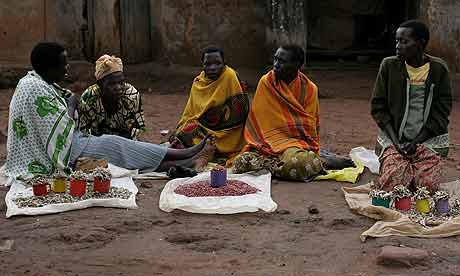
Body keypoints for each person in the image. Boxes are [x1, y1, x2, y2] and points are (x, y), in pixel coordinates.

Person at [5, 42, 214, 180]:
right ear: (100, 84)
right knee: (115, 149)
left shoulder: (38, 83)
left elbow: (135, 128)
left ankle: (184, 158)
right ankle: (184, 156)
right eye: (63, 65)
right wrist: (70, 106)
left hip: (76, 141)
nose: (67, 69)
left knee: (124, 147)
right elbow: (63, 127)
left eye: (120, 83)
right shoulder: (38, 88)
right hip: (65, 149)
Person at [232, 44, 353, 181]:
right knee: (240, 163)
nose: (276, 65)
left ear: (297, 65)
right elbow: (259, 121)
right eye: (275, 59)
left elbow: (309, 127)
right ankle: (317, 162)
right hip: (264, 146)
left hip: (293, 146)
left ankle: (311, 161)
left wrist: (293, 147)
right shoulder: (266, 82)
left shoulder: (309, 89)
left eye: (282, 61)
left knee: (298, 163)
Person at [371, 20, 452, 192]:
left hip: (428, 139)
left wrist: (416, 142)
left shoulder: (438, 69)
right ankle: (399, 165)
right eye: (397, 41)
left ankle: (414, 168)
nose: (398, 46)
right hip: (394, 138)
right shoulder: (389, 66)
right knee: (394, 184)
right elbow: (379, 107)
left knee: (427, 187)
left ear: (420, 43)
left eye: (404, 41)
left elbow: (441, 113)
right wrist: (396, 143)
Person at [169, 46, 249, 163]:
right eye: (208, 64)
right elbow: (190, 113)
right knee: (182, 135)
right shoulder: (198, 82)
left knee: (187, 140)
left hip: (228, 132)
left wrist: (213, 121)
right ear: (202, 64)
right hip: (204, 128)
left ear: (224, 63)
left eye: (217, 63)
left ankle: (204, 153)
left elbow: (240, 111)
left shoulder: (230, 76)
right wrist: (180, 130)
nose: (213, 68)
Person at [79, 55, 145, 140]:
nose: (118, 87)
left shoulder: (131, 95)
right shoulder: (89, 98)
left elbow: (138, 128)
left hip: (125, 142)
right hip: (97, 144)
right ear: (100, 84)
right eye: (111, 84)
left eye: (121, 82)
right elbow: (85, 133)